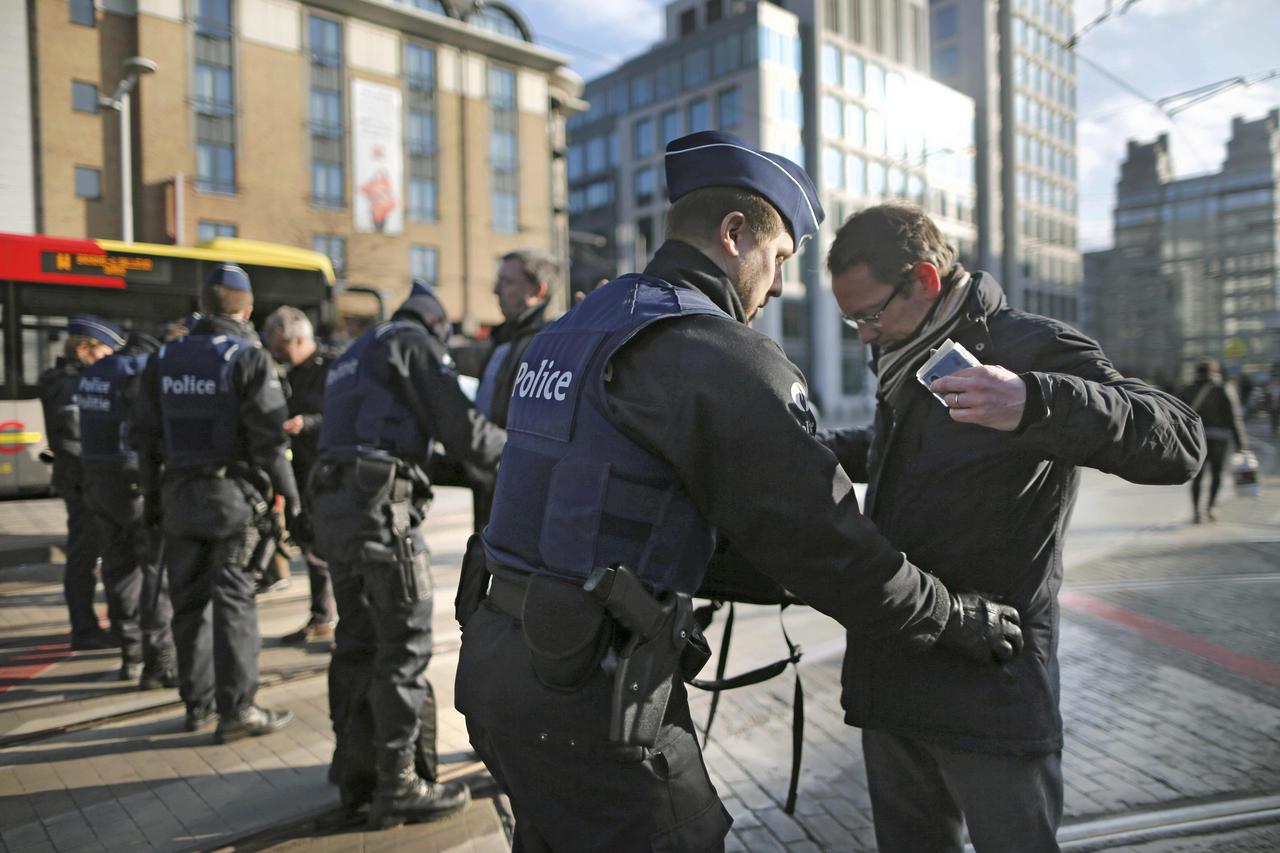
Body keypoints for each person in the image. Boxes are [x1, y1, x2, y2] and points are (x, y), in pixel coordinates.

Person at [454, 131, 1025, 852]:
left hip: (498, 667)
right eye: (780, 257)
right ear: (734, 236)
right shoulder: (714, 349)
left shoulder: (571, 331)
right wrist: (956, 618)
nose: (780, 284)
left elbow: (602, 501)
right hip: (588, 697)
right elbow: (830, 550)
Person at [821, 202, 1205, 853]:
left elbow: (1179, 440)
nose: (862, 333)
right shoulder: (905, 355)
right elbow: (895, 453)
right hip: (894, 677)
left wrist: (1035, 400)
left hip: (990, 683)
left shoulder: (1030, 346)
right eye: (851, 319)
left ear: (924, 280)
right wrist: (807, 445)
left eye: (869, 313)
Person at [309, 280, 506, 829]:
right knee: (404, 646)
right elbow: (462, 431)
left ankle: (357, 779)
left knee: (356, 643)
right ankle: (400, 786)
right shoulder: (412, 344)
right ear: (436, 324)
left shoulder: (356, 351)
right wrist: (525, 457)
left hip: (337, 508)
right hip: (381, 513)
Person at [131, 263, 304, 742]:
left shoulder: (163, 359)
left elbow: (143, 438)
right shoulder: (248, 358)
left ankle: (198, 705)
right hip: (232, 500)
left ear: (203, 306)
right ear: (246, 309)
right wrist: (290, 496)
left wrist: (152, 501)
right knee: (234, 603)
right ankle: (238, 710)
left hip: (178, 497)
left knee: (188, 604)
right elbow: (270, 440)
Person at [78, 328, 178, 687]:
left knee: (118, 569)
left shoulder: (95, 371)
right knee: (154, 571)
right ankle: (159, 659)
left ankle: (130, 652)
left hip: (97, 481)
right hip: (132, 481)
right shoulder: (137, 370)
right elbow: (146, 428)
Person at [39, 315, 125, 650]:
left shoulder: (69, 378)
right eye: (105, 349)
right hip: (83, 481)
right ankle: (85, 630)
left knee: (94, 553)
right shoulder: (68, 384)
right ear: (85, 348)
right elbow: (74, 439)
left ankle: (95, 625)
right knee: (84, 555)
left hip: (84, 479)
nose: (109, 357)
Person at [460, 250, 557, 530]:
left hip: (520, 493)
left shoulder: (548, 343)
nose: (495, 290)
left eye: (507, 282)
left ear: (538, 290)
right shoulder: (502, 342)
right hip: (489, 485)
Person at [263, 305, 339, 643]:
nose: (277, 354)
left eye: (280, 347)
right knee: (312, 547)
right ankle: (321, 616)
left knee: (323, 549)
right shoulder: (291, 371)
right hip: (301, 469)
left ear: (297, 339)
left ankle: (327, 619)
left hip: (327, 470)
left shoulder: (331, 367)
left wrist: (305, 423)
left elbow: (338, 416)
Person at [1178, 358, 1247, 523]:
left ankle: (1196, 512)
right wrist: (1241, 444)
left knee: (1197, 476)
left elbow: (1178, 417)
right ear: (1215, 371)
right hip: (1219, 439)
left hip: (1195, 439)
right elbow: (1234, 418)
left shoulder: (1187, 390)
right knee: (1217, 474)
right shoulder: (1224, 389)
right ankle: (1211, 506)